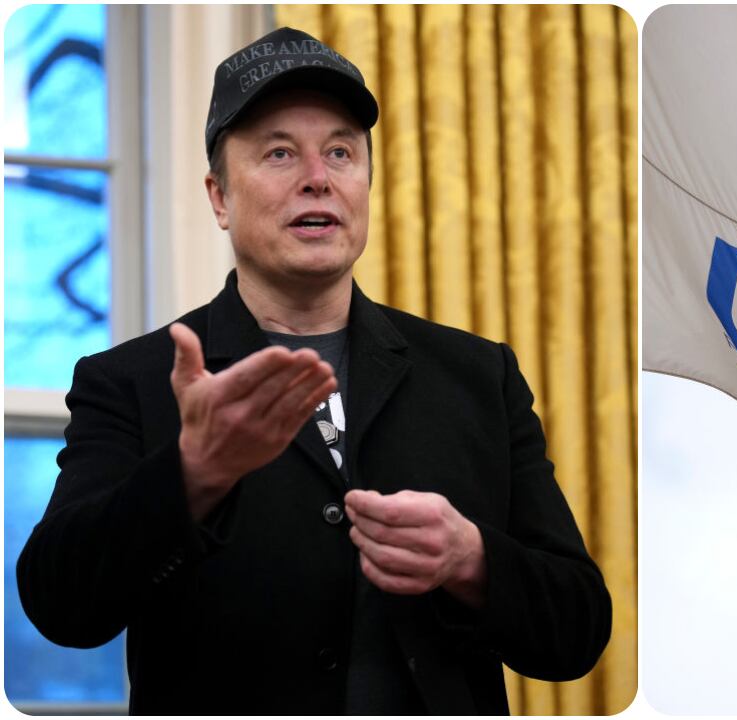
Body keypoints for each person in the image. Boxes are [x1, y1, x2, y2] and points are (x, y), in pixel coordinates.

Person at [17, 27, 611, 715]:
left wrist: (472, 560)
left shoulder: (479, 375)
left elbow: (578, 631)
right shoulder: (130, 381)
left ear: (365, 185)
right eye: (278, 153)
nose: (317, 176)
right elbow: (60, 607)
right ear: (219, 197)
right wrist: (194, 473)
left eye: (340, 151)